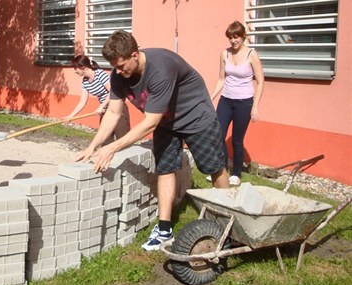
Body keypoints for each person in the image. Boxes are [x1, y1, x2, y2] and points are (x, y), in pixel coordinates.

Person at [75, 30, 230, 251]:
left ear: (135, 55)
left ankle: (228, 222)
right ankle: (164, 230)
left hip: (196, 116)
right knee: (165, 168)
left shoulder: (160, 69)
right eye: (114, 67)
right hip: (167, 122)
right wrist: (94, 145)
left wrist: (113, 148)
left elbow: (150, 122)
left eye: (121, 66)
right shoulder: (118, 76)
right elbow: (113, 113)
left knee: (214, 168)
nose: (118, 72)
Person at [209, 21, 264, 186]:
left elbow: (260, 81)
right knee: (218, 136)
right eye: (230, 37)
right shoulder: (224, 54)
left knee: (237, 141)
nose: (233, 41)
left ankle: (237, 173)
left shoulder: (251, 54)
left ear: (243, 37)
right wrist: (210, 98)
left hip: (244, 102)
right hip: (226, 100)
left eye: (236, 37)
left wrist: (255, 106)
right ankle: (222, 171)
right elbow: (221, 79)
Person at [65, 54, 130, 144]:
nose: (75, 71)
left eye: (75, 68)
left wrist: (101, 105)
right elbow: (82, 102)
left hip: (119, 108)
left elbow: (113, 91)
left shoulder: (100, 74)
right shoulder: (85, 81)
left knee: (122, 140)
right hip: (105, 111)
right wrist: (71, 116)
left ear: (83, 67)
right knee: (105, 140)